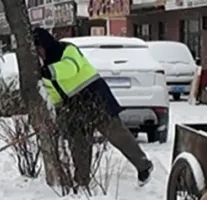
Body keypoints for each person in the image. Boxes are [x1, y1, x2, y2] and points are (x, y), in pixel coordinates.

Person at [31, 27, 155, 187]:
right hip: (73, 106)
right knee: (78, 143)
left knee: (116, 134)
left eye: (38, 48)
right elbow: (54, 92)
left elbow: (71, 67)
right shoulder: (44, 66)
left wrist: (50, 71)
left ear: (45, 44)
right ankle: (81, 181)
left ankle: (144, 165)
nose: (38, 52)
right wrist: (59, 111)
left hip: (95, 97)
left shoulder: (66, 49)